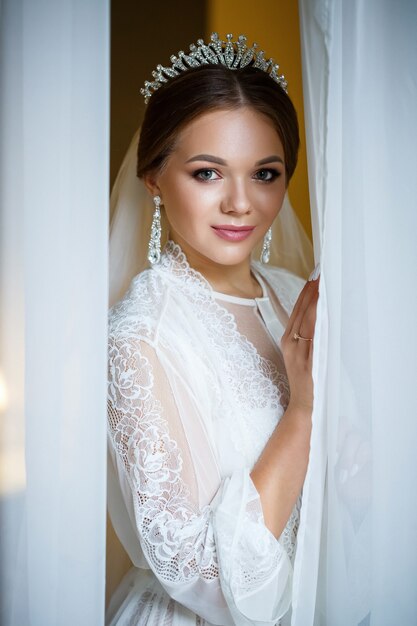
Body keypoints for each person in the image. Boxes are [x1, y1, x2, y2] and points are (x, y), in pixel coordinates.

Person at [106, 33, 319, 626]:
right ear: (154, 177)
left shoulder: (292, 295)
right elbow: (204, 581)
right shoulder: (141, 338)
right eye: (207, 173)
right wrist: (303, 413)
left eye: (265, 173)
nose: (240, 203)